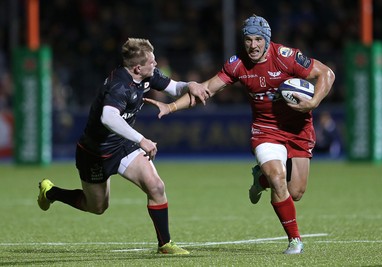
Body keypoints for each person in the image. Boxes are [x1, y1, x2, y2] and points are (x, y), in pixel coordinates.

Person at [144, 15, 335, 254]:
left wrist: (313, 102)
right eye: (247, 39)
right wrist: (170, 107)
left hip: (298, 129)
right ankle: (295, 240)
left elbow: (327, 74)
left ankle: (260, 179)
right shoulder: (237, 65)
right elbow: (205, 90)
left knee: (295, 192)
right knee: (278, 178)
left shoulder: (287, 58)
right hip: (265, 129)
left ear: (266, 40)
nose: (252, 45)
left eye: (257, 39)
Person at [37, 38, 210, 255]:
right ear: (138, 67)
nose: (156, 65)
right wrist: (141, 139)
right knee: (97, 207)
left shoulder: (147, 75)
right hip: (96, 153)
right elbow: (108, 117)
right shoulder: (119, 86)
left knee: (156, 186)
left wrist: (189, 85)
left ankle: (165, 244)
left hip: (123, 145)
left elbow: (174, 88)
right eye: (152, 62)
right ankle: (51, 192)